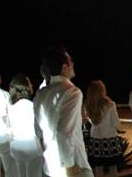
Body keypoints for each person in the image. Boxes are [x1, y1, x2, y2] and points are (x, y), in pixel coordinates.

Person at [33, 45, 93, 177]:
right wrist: (69, 166)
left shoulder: (40, 94)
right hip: (73, 164)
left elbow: (38, 132)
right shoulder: (72, 92)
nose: (73, 63)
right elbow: (64, 133)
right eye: (70, 61)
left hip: (50, 164)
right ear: (64, 67)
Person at [8, 74, 43, 177]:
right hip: (32, 147)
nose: (32, 85)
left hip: (16, 147)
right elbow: (39, 130)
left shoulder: (11, 107)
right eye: (29, 83)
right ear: (24, 87)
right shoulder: (32, 106)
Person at [85, 80, 122, 177]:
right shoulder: (110, 104)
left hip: (95, 141)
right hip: (110, 140)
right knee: (113, 168)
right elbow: (116, 123)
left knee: (98, 169)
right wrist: (119, 128)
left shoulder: (88, 105)